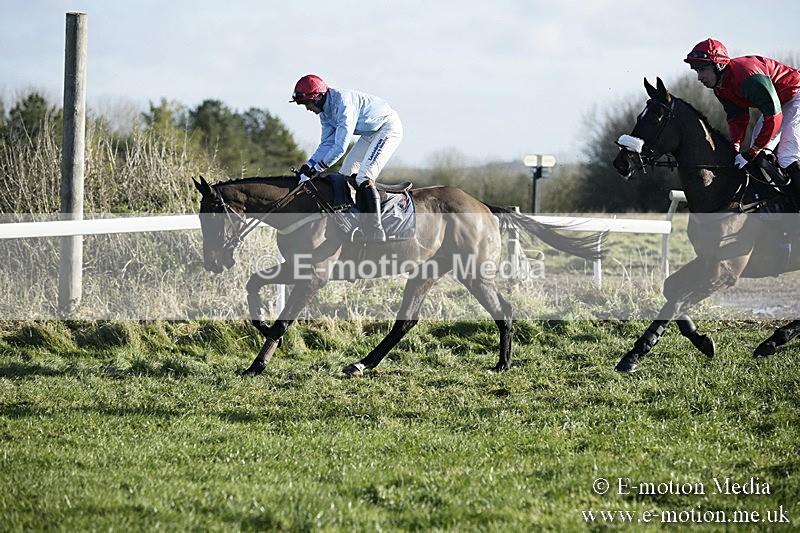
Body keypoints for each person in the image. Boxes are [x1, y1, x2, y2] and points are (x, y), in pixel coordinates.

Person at [290, 74, 403, 242]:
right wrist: (308, 165)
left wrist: (317, 169)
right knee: (345, 175)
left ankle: (376, 229)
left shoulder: (343, 104)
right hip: (370, 133)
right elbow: (327, 143)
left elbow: (340, 147)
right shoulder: (325, 113)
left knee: (364, 177)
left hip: (388, 129)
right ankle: (354, 221)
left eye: (307, 103)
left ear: (318, 97)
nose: (307, 108)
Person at [684, 38, 800, 198]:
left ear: (719, 65)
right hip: (780, 103)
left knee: (786, 156)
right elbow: (737, 118)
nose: (699, 77)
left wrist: (751, 152)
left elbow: (774, 117)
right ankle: (780, 201)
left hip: (796, 95)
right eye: (697, 71)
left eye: (703, 70)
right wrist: (735, 146)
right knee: (760, 155)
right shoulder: (720, 88)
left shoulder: (747, 77)